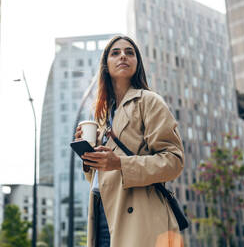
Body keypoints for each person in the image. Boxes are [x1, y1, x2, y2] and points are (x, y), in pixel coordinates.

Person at [74, 35, 184, 247]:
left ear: (137, 62)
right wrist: (88, 156)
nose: (123, 55)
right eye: (115, 53)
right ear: (106, 65)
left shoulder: (149, 101)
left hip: (141, 215)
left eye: (129, 52)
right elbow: (99, 178)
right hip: (102, 212)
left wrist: (120, 164)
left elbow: (173, 161)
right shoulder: (102, 115)